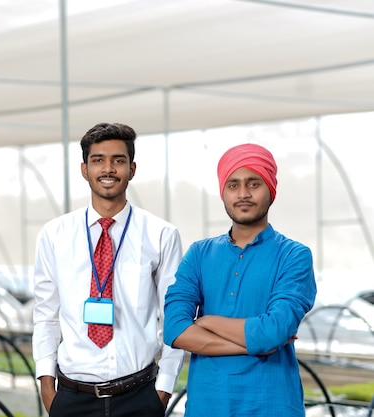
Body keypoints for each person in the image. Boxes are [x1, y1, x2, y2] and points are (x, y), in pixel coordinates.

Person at [32, 122, 184, 416]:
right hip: (71, 397)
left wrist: (163, 390)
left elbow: (174, 317)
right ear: (84, 169)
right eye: (98, 160)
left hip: (139, 396)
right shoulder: (54, 235)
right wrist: (46, 385)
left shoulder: (161, 234)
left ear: (133, 168)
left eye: (118, 160)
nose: (108, 169)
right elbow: (45, 314)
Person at [163, 143, 317, 416]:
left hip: (273, 405)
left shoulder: (294, 256)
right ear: (223, 192)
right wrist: (262, 345)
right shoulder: (199, 254)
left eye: (253, 184)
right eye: (233, 185)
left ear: (271, 189)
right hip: (208, 405)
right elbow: (174, 328)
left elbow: (274, 331)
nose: (243, 194)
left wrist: (206, 322)